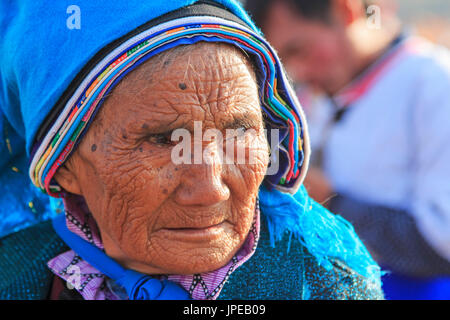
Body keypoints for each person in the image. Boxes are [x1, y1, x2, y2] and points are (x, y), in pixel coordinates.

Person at [0, 0, 383, 300]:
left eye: (237, 134)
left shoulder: (319, 283)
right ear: (62, 165)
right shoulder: (15, 275)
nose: (212, 190)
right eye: (164, 141)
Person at [245, 0, 450, 299]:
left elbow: (441, 242)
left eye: (298, 50)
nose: (296, 72)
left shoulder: (433, 85)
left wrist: (332, 202)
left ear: (346, 10)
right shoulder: (314, 96)